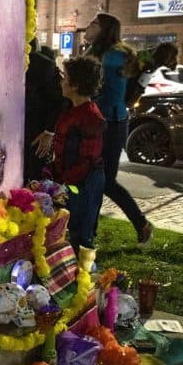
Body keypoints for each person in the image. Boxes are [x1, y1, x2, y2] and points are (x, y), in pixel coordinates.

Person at [84, 12, 154, 245]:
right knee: (94, 180)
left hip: (110, 125)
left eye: (94, 24)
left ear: (104, 30)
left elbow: (113, 96)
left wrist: (90, 112)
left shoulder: (113, 57)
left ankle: (138, 224)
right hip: (102, 122)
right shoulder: (96, 53)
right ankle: (88, 234)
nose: (88, 26)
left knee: (104, 181)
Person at [43, 56, 106, 251]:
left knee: (80, 235)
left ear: (76, 85)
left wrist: (62, 184)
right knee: (66, 231)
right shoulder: (72, 110)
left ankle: (83, 274)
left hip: (83, 185)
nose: (61, 82)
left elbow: (87, 158)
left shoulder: (90, 117)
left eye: (65, 78)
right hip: (70, 182)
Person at [25, 38, 67, 182]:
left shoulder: (43, 65)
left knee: (35, 179)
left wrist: (49, 132)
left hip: (36, 133)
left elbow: (59, 101)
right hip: (9, 132)